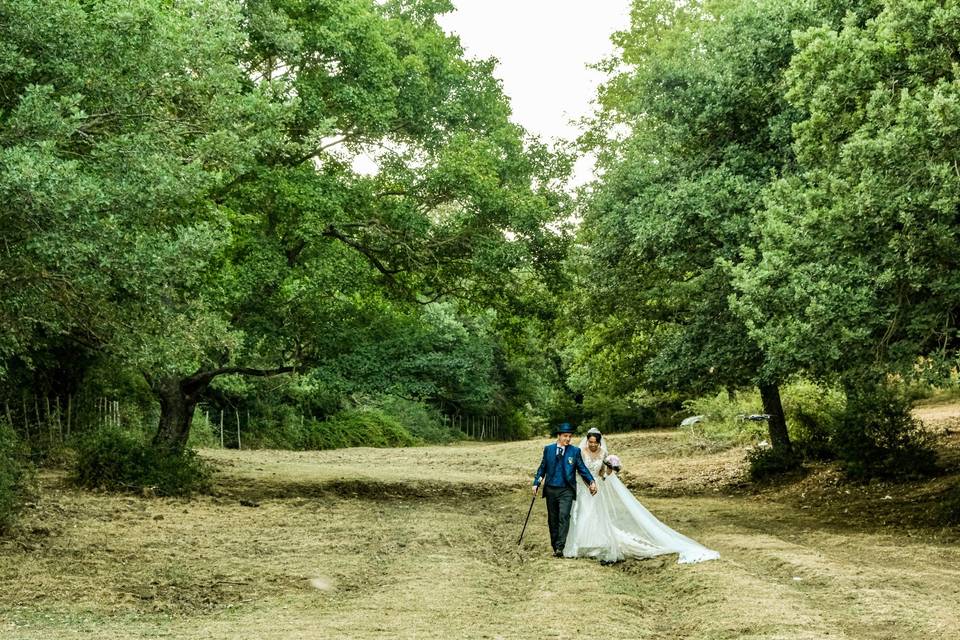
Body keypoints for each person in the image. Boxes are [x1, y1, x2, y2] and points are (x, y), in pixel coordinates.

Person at [563, 427, 720, 564]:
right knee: (583, 512)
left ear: (599, 442)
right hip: (583, 487)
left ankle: (596, 543)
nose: (592, 445)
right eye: (590, 442)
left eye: (595, 442)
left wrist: (611, 470)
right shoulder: (580, 452)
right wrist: (586, 483)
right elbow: (578, 469)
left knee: (597, 514)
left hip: (598, 486)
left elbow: (602, 473)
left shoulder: (603, 453)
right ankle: (581, 543)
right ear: (586, 441)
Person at [532, 422, 597, 557]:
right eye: (565, 436)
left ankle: (560, 548)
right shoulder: (548, 449)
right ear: (559, 436)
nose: (568, 439)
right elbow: (542, 468)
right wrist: (536, 483)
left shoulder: (574, 451)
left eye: (570, 436)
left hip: (566, 490)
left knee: (564, 516)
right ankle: (555, 545)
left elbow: (582, 469)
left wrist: (591, 481)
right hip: (550, 489)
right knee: (552, 519)